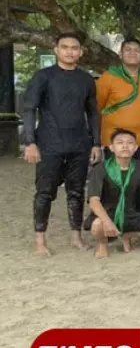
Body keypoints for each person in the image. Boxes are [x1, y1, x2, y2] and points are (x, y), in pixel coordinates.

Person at [21, 33, 102, 255]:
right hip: (49, 143)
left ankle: (76, 237)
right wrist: (30, 142)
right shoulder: (43, 77)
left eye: (74, 48)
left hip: (79, 143)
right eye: (64, 47)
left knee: (76, 191)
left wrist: (96, 143)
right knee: (44, 192)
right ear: (56, 50)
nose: (70, 51)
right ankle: (40, 241)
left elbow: (93, 113)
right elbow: (29, 109)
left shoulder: (86, 79)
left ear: (81, 52)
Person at [83, 128, 140, 258]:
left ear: (135, 148)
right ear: (111, 148)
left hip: (130, 214)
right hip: (107, 214)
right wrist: (107, 221)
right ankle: (102, 244)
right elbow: (93, 201)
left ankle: (126, 235)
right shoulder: (100, 169)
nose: (125, 146)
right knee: (97, 225)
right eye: (120, 143)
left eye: (130, 143)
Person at [96, 37, 140, 163]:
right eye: (128, 50)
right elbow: (98, 107)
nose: (132, 53)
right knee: (117, 181)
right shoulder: (108, 78)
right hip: (116, 141)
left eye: (137, 50)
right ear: (120, 54)